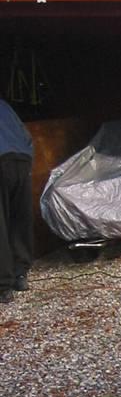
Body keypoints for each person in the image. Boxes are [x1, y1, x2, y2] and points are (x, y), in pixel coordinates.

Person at [0, 99, 33, 304]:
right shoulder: (4, 105)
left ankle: (2, 286)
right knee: (20, 216)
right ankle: (20, 274)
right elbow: (26, 135)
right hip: (21, 158)